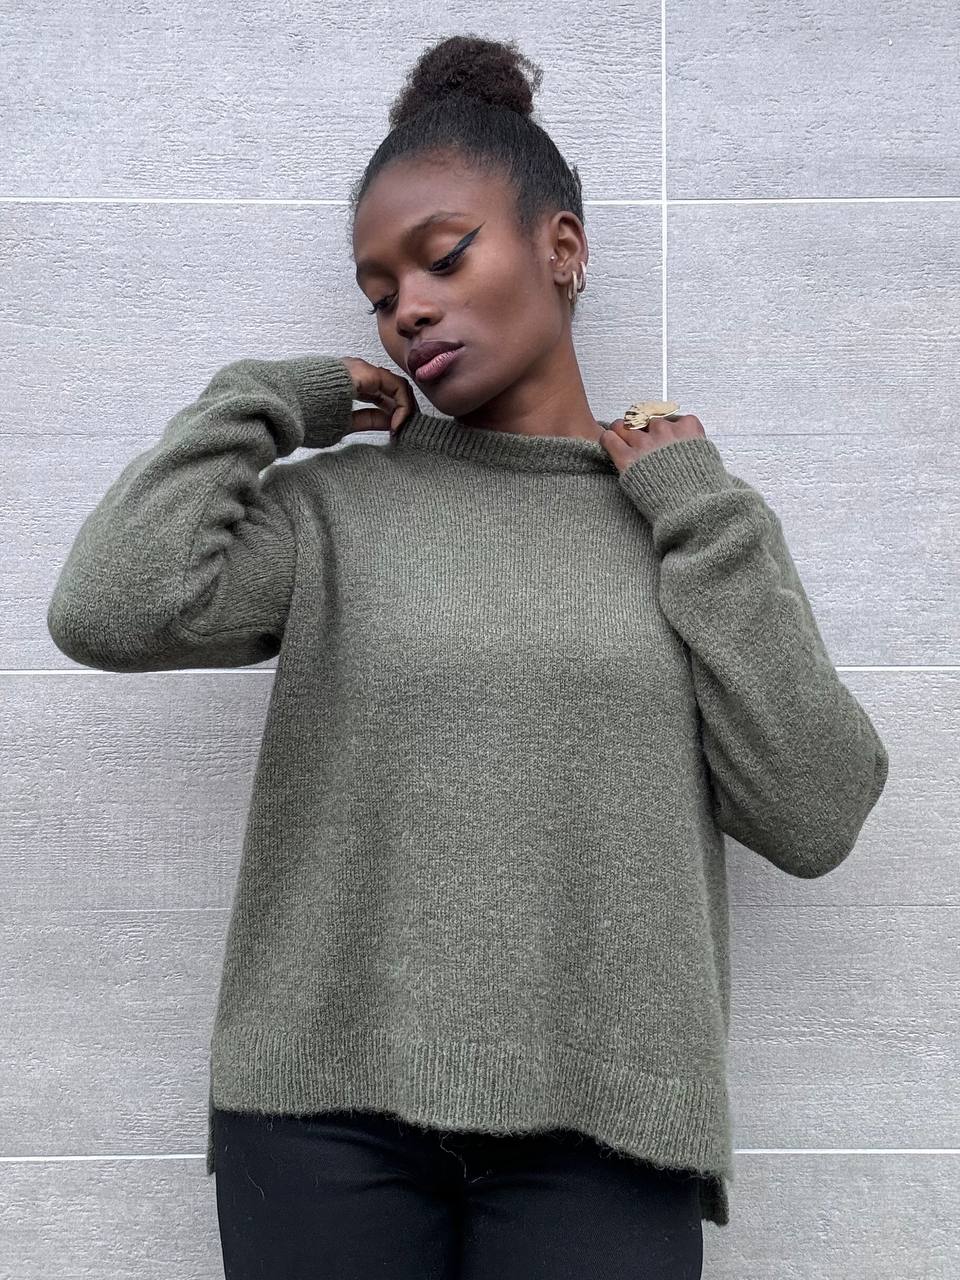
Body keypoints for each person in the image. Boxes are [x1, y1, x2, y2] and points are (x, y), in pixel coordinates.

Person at [46, 33, 889, 1280]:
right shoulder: (335, 512)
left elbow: (816, 811)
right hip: (321, 1109)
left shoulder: (689, 522)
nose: (409, 309)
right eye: (380, 291)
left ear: (564, 247)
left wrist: (699, 508)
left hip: (610, 1127)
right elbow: (109, 607)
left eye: (443, 256)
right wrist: (271, 398)